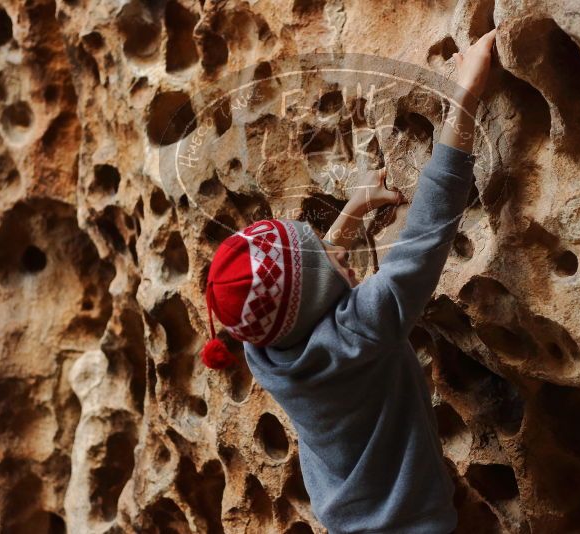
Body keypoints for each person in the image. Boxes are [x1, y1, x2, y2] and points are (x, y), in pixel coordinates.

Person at [201, 28, 497, 534]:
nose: (337, 256)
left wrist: (355, 212)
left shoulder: (266, 352)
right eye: (324, 255)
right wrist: (464, 96)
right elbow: (423, 238)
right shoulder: (363, 329)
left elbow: (302, 292)